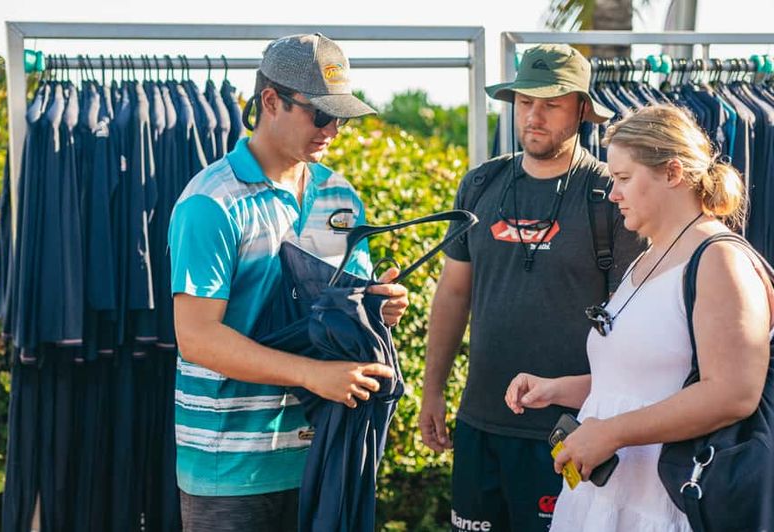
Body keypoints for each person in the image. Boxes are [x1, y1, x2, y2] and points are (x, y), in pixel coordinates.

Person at [168, 33, 409, 532]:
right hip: (230, 467)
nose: (332, 130)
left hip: (324, 455)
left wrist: (377, 307)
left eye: (341, 117)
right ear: (271, 101)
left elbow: (340, 306)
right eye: (320, 115)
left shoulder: (341, 196)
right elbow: (196, 338)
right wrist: (312, 375)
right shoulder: (210, 203)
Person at [505, 104, 773, 531]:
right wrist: (556, 389)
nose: (613, 194)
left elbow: (733, 393)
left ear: (672, 173)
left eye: (624, 178)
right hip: (608, 498)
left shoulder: (719, 260)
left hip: (667, 502)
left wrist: (611, 432)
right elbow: (644, 381)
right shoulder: (649, 256)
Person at [419, 43, 645, 531]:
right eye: (525, 102)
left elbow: (633, 322)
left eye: (551, 104)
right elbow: (453, 293)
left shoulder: (609, 196)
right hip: (481, 422)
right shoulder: (480, 184)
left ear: (581, 110)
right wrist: (432, 391)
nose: (533, 117)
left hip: (570, 431)